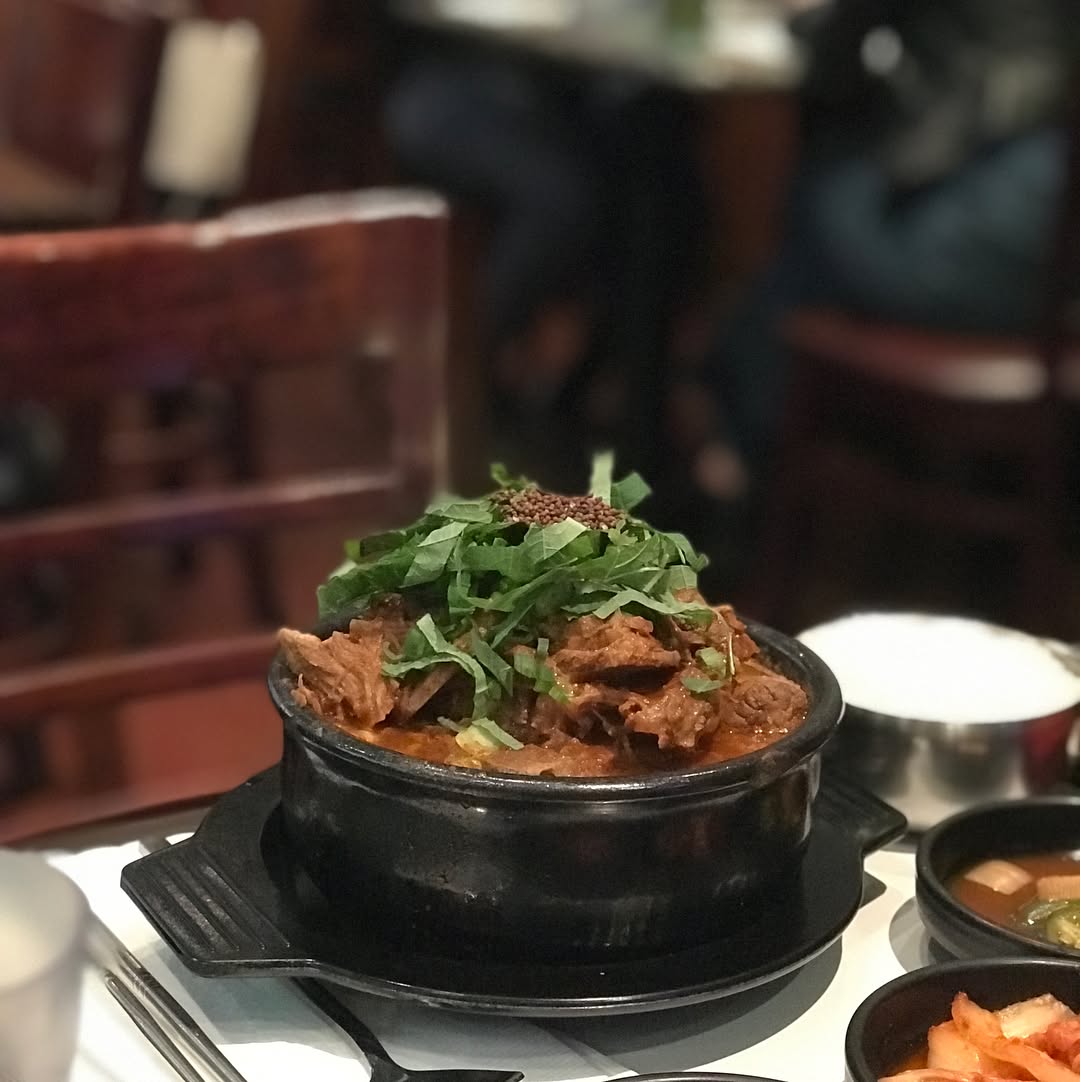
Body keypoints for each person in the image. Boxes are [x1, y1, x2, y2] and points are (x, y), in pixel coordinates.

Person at [687, 0, 1074, 502]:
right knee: (819, 233)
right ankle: (742, 426)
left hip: (993, 251)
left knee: (822, 192)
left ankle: (744, 459)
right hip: (1056, 262)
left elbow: (829, 51)